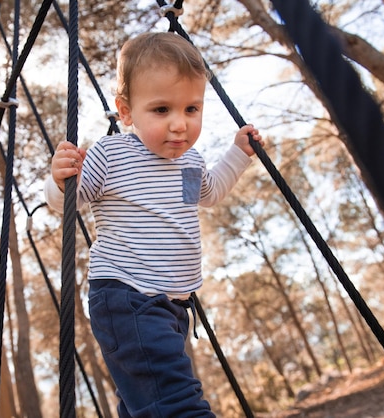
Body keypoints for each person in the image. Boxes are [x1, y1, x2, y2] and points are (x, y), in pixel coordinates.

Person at [44, 32, 264, 417]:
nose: (180, 124)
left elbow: (209, 193)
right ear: (127, 112)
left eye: (191, 109)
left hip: (173, 306)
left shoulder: (191, 162)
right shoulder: (111, 154)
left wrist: (238, 153)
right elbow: (67, 203)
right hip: (126, 296)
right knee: (175, 402)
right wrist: (59, 179)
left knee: (145, 403)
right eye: (162, 110)